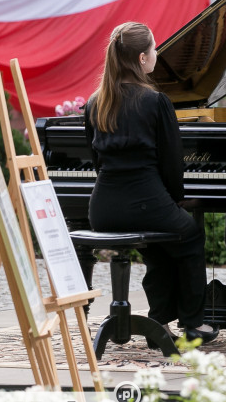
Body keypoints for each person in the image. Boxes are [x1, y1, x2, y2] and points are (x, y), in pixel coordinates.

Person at [84, 22, 218, 344]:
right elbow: (172, 163)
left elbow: (96, 160)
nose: (157, 54)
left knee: (161, 243)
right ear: (143, 58)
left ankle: (160, 318)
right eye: (155, 50)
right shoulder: (154, 101)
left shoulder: (95, 102)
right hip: (144, 201)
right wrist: (175, 199)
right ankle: (192, 322)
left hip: (102, 208)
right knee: (188, 235)